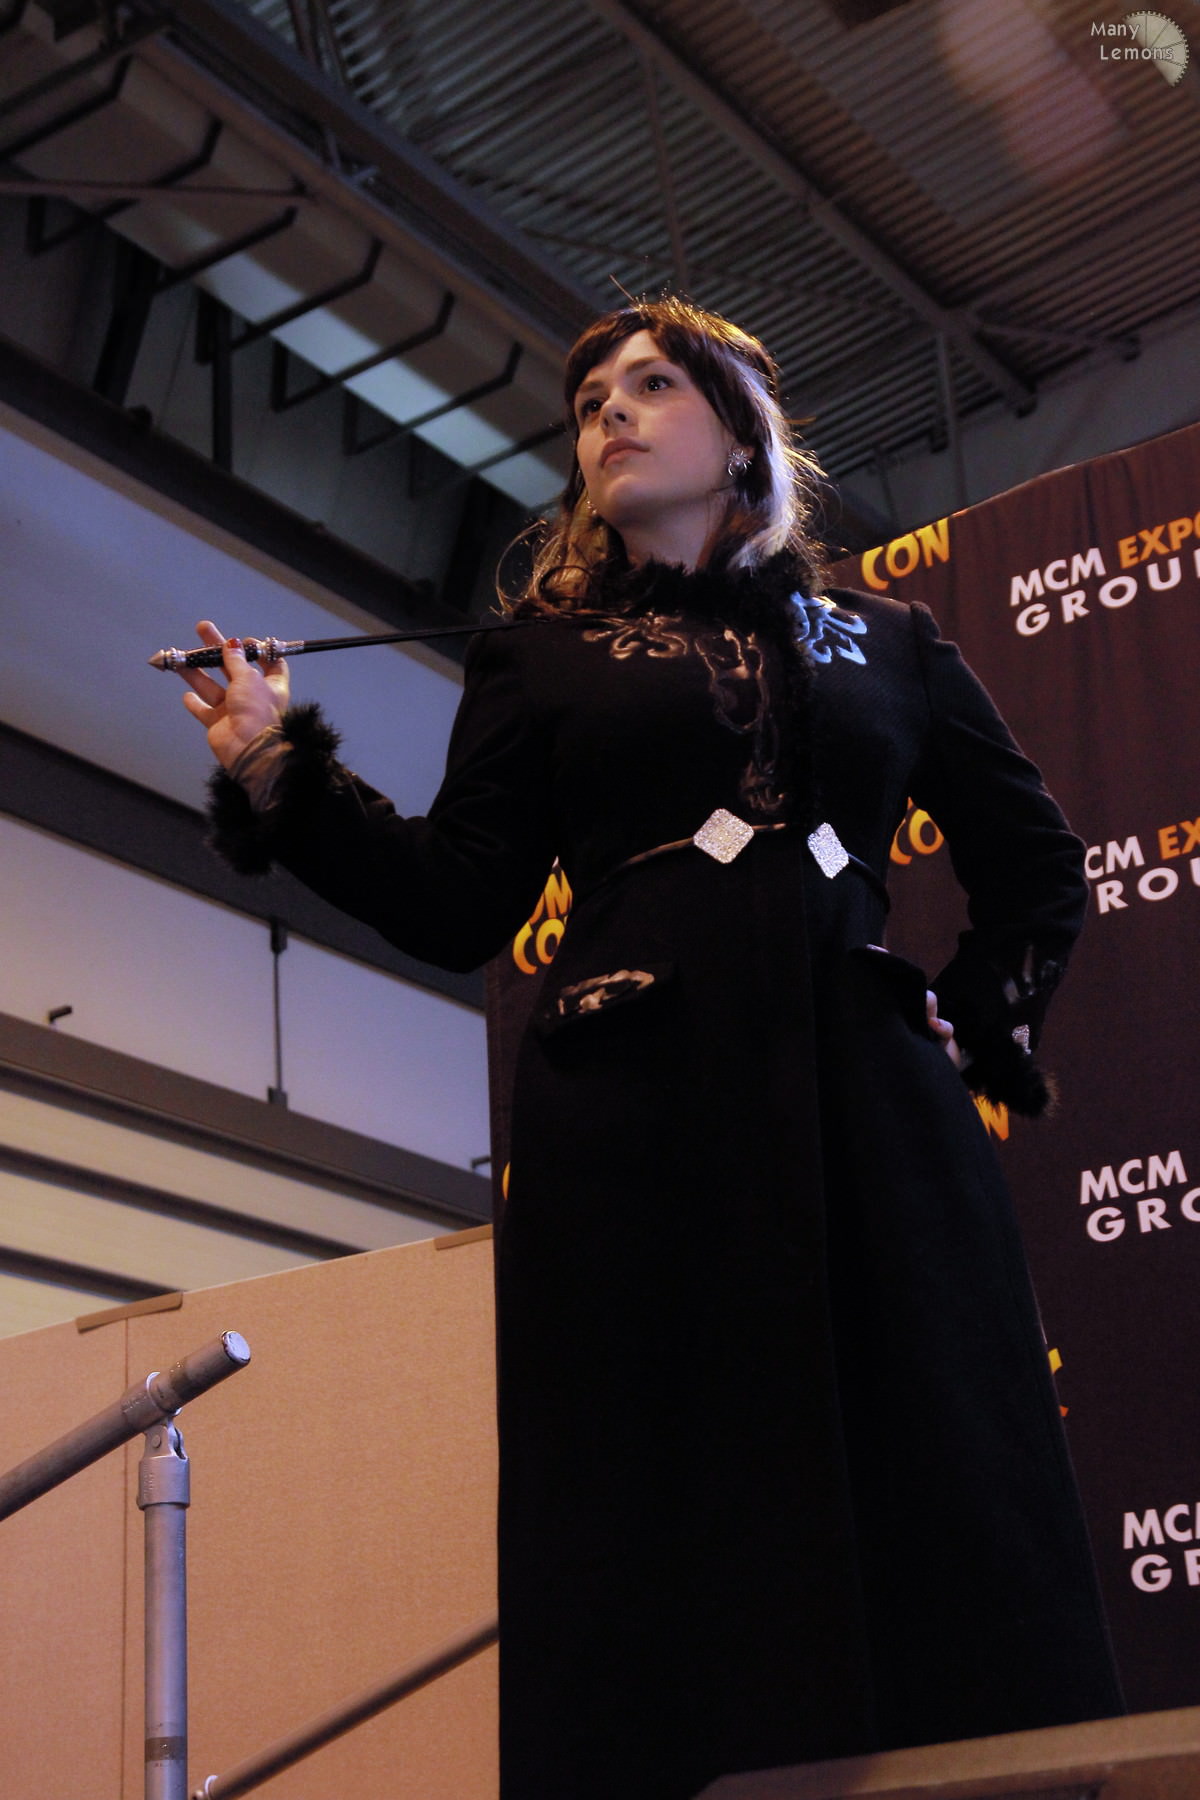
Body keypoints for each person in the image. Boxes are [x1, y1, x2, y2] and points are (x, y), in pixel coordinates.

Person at [179, 298, 1122, 1800]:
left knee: (942, 1457)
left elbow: (1038, 866)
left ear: (744, 435)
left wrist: (970, 1021)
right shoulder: (537, 655)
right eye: (589, 401)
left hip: (870, 1109)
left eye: (653, 383)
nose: (608, 412)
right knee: (653, 1487)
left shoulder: (890, 643)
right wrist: (274, 762)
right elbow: (455, 899)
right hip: (633, 1113)